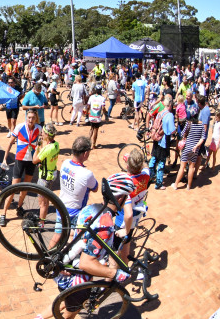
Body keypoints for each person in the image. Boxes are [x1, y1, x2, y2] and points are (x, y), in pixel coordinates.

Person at [35, 173, 135, 319]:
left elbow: (72, 236)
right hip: (78, 280)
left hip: (66, 268)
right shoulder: (105, 225)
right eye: (127, 198)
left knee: (63, 301)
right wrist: (115, 274)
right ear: (120, 198)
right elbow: (86, 263)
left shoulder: (91, 208)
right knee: (68, 314)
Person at [49, 136, 98, 248]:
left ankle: (46, 257)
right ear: (85, 153)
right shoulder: (87, 174)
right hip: (75, 211)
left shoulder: (65, 163)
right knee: (72, 238)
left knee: (57, 235)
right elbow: (95, 188)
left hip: (61, 206)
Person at [0, 110, 40, 226]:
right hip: (20, 160)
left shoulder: (39, 129)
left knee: (25, 187)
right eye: (29, 118)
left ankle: (19, 207)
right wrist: (4, 158)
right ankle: (3, 214)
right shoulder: (19, 127)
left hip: (31, 161)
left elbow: (41, 143)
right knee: (13, 188)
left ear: (36, 118)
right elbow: (10, 143)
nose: (30, 120)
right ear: (26, 118)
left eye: (32, 118)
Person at [115, 149, 150, 264]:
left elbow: (127, 214)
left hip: (123, 220)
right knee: (127, 244)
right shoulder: (146, 175)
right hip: (136, 215)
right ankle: (125, 267)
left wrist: (125, 230)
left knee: (115, 250)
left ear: (127, 166)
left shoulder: (127, 183)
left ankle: (111, 276)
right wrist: (137, 161)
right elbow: (146, 166)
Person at [173, 106, 205, 191]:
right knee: (191, 167)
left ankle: (176, 184)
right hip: (195, 149)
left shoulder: (189, 123)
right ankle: (189, 186)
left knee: (182, 167)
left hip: (187, 147)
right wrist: (197, 146)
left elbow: (183, 133)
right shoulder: (201, 125)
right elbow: (203, 138)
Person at [32, 123, 59, 222]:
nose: (41, 134)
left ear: (47, 135)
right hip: (52, 174)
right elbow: (49, 159)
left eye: (43, 132)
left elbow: (34, 160)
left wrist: (37, 148)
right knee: (46, 200)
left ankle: (41, 223)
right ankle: (42, 220)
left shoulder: (47, 149)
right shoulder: (56, 144)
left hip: (44, 178)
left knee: (42, 203)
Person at [148, 96, 174, 190]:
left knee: (154, 158)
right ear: (170, 105)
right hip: (163, 140)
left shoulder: (160, 113)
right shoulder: (169, 115)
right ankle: (158, 183)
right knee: (162, 161)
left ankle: (150, 176)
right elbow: (171, 130)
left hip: (156, 138)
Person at [87, 84, 106, 149]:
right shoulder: (102, 98)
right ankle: (93, 144)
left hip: (91, 115)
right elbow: (103, 108)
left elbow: (88, 106)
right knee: (96, 130)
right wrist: (106, 113)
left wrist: (87, 112)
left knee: (91, 128)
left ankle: (87, 143)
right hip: (97, 117)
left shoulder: (91, 97)